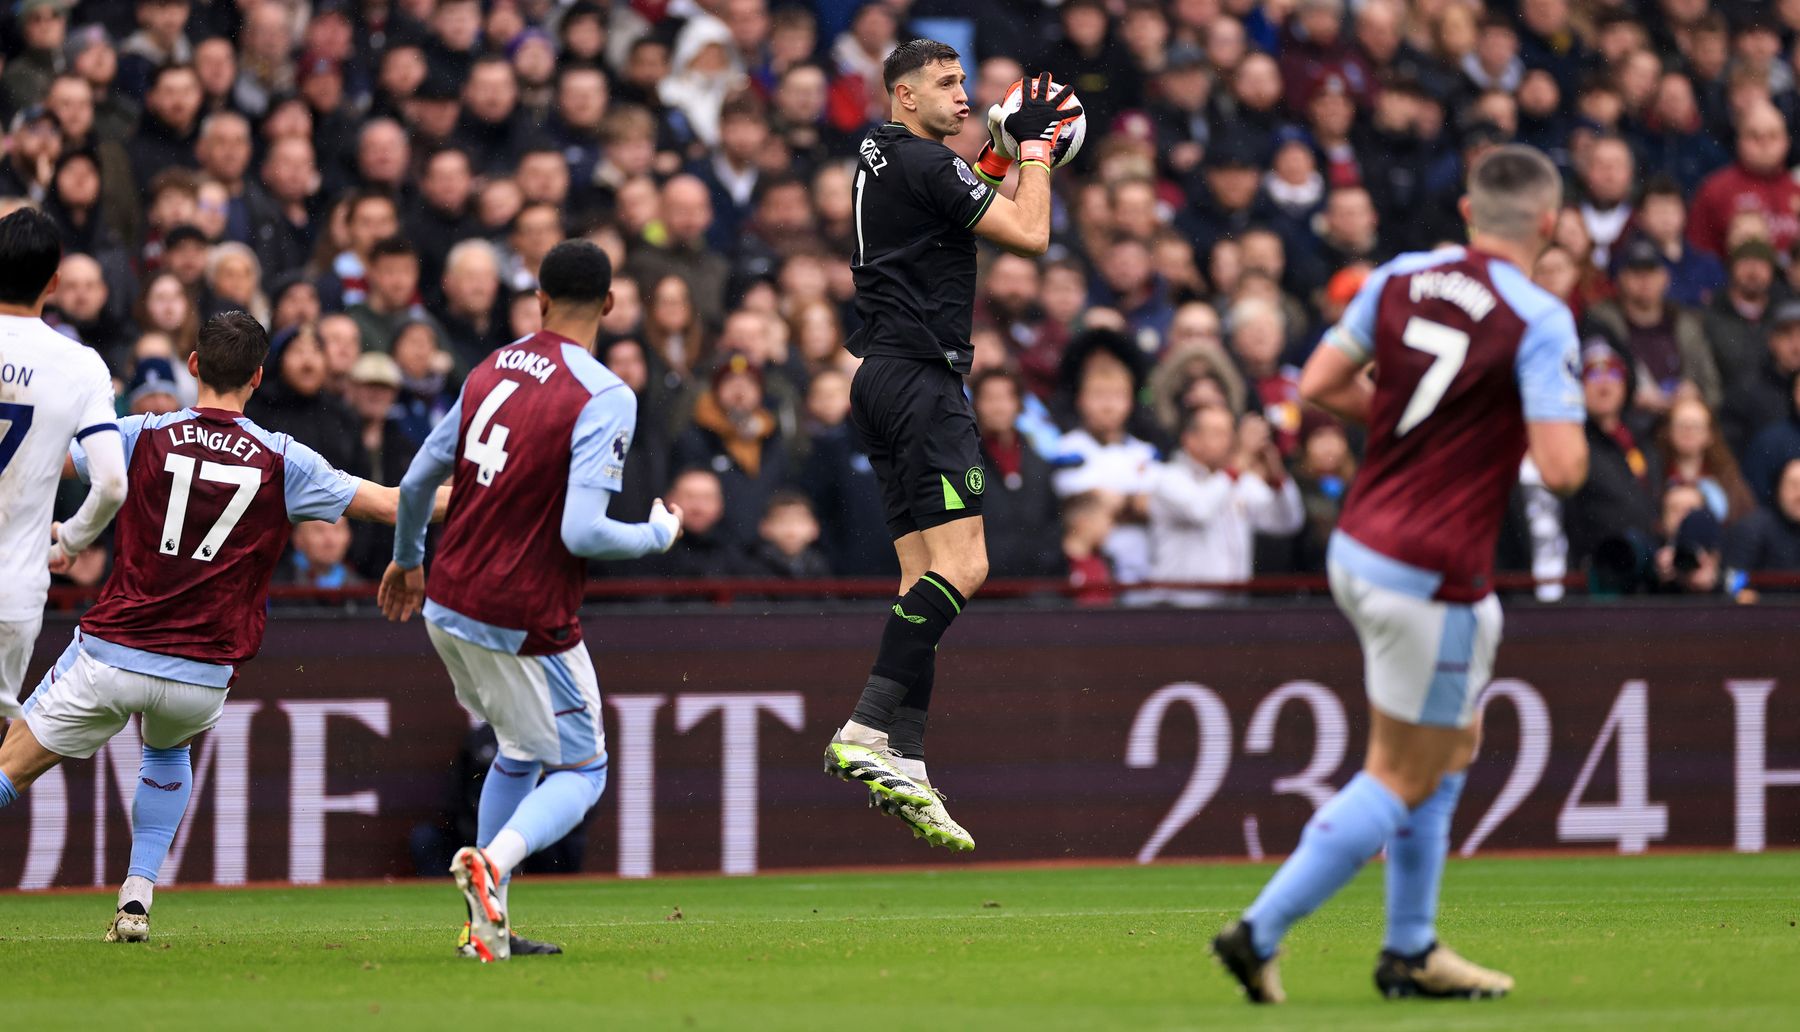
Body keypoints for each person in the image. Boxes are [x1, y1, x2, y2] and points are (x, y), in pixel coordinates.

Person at [1214, 145, 1588, 1004]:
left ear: (1466, 212)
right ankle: (1258, 933)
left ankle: (1411, 948)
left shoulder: (1401, 276)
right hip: (1432, 567)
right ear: (1549, 224)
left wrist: (1430, 426)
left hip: (1361, 542)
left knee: (1449, 745)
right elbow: (1564, 468)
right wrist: (1492, 430)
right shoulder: (1538, 317)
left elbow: (1319, 383)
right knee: (1402, 771)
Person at [0, 310, 432, 943]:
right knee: (168, 749)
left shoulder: (141, 435)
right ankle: (138, 897)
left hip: (114, 656)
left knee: (10, 765)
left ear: (194, 364)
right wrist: (497, 493)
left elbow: (46, 460)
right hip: (202, 676)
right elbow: (394, 503)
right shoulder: (285, 460)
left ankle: (136, 894)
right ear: (258, 377)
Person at [380, 240, 683, 963]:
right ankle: (492, 861)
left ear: (538, 299)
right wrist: (655, 535)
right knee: (584, 770)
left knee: (516, 751)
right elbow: (581, 530)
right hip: (523, 612)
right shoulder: (605, 394)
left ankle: (486, 927)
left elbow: (421, 476)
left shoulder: (490, 367)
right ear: (610, 305)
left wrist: (407, 560)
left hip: (447, 597)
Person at [822, 44, 1071, 853]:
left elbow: (964, 192)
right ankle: (865, 730)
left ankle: (907, 755)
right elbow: (1028, 234)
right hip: (926, 385)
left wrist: (998, 146)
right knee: (966, 568)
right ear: (903, 93)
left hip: (881, 379)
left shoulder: (886, 153)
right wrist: (1036, 150)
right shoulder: (926, 164)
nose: (964, 95)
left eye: (966, 83)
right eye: (947, 84)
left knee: (920, 577)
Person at [0, 208, 126, 721]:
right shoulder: (80, 364)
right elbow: (112, 483)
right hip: (13, 590)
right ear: (54, 282)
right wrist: (70, 540)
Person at [1145, 407, 1304, 606]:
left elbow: (1287, 523)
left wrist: (1276, 476)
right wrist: (1240, 461)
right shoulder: (1169, 478)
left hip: (1232, 609)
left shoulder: (1240, 482)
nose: (1229, 441)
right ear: (1190, 439)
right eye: (1217, 433)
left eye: (1230, 433)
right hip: (1178, 610)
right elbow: (1200, 510)